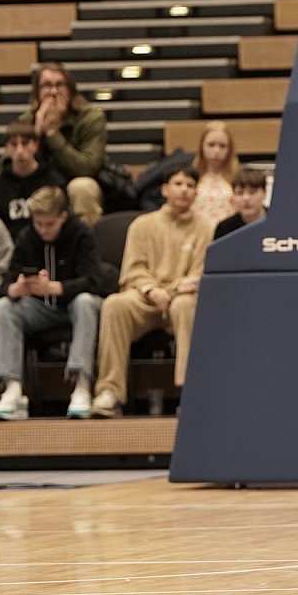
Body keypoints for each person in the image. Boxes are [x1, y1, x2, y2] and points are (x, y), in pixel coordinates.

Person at [90, 168, 213, 419]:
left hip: (181, 297)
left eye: (190, 185)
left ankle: (190, 393)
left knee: (186, 306)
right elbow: (132, 270)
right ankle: (109, 392)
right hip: (146, 297)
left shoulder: (205, 229)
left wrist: (174, 290)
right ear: (165, 190)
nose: (184, 190)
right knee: (115, 304)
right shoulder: (142, 225)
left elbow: (199, 274)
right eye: (178, 184)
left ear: (196, 193)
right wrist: (151, 290)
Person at [0, 185, 111, 421]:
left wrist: (58, 288)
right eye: (39, 224)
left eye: (50, 224)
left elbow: (95, 281)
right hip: (40, 309)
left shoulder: (81, 234)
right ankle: (13, 389)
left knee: (85, 301)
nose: (44, 230)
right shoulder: (27, 237)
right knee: (5, 307)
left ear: (63, 216)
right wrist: (15, 289)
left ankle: (81, 385)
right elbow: (6, 283)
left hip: (74, 308)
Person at [16, 62, 107, 227]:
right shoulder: (27, 120)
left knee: (82, 187)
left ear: (71, 91)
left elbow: (87, 168)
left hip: (74, 183)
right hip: (40, 183)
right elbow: (9, 163)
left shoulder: (90, 118)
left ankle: (85, 242)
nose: (53, 92)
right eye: (46, 86)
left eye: (59, 85)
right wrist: (35, 135)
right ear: (37, 93)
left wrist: (52, 133)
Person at [0, 121, 66, 241]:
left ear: (36, 144)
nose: (20, 151)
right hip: (9, 246)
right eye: (13, 144)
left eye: (25, 143)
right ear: (6, 147)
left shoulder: (54, 181)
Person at [190, 122, 239, 228]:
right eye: (211, 145)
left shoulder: (238, 177)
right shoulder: (191, 177)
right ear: (201, 146)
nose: (216, 151)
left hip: (228, 233)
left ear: (230, 149)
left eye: (222, 146)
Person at [213, 166, 268, 240]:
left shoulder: (278, 223)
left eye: (252, 192)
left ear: (264, 193)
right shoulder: (224, 229)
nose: (246, 198)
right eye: (240, 193)